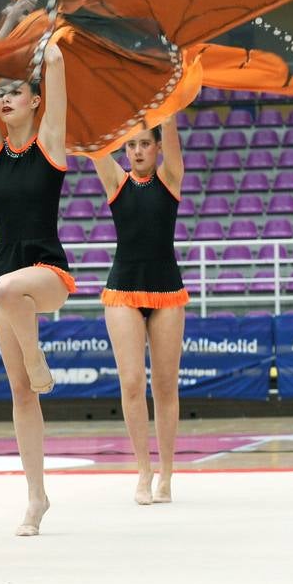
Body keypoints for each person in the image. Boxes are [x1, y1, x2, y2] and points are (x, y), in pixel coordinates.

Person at [0, 0, 74, 537]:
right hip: (6, 280)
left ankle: (39, 365)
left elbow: (54, 63)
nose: (7, 98)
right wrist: (8, 20)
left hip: (47, 274)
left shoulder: (50, 145)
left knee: (8, 289)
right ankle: (36, 497)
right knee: (19, 393)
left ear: (36, 103)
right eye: (4, 93)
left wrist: (42, 23)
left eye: (17, 91)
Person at [89, 118, 186, 505]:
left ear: (158, 147)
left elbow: (172, 132)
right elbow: (95, 142)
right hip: (124, 290)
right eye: (131, 146)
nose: (138, 151)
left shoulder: (170, 180)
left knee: (164, 385)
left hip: (166, 291)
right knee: (131, 383)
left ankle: (166, 473)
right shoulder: (116, 183)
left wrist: (168, 103)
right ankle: (142, 472)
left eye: (145, 144)